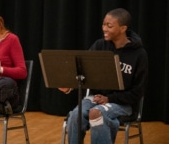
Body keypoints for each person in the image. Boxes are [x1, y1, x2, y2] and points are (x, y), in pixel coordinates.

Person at [59, 8, 148, 144]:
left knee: (96, 113)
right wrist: (70, 86)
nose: (104, 28)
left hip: (124, 103)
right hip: (96, 98)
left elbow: (138, 91)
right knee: (75, 115)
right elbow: (82, 70)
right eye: (103, 24)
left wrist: (109, 98)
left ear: (123, 28)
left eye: (109, 26)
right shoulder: (100, 45)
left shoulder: (139, 54)